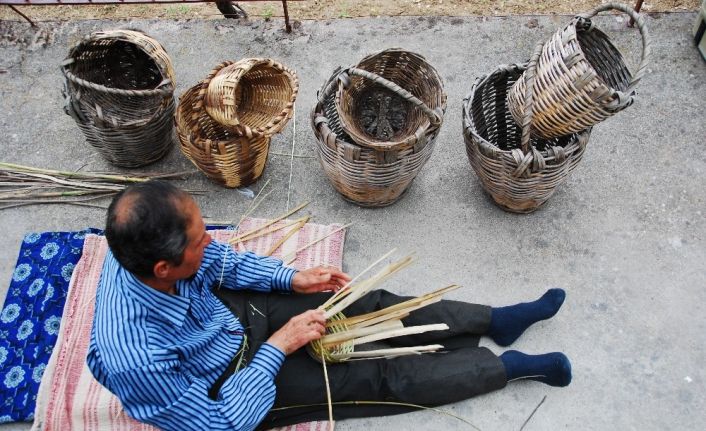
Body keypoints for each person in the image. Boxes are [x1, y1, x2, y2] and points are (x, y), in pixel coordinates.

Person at [87, 181, 572, 431]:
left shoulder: (140, 247)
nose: (209, 239)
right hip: (225, 384)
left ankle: (494, 320)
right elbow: (219, 424)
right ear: (163, 270)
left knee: (364, 304)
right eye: (196, 239)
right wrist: (278, 347)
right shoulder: (137, 357)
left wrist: (289, 277)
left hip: (227, 318)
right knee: (373, 378)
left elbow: (218, 261)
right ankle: (505, 368)